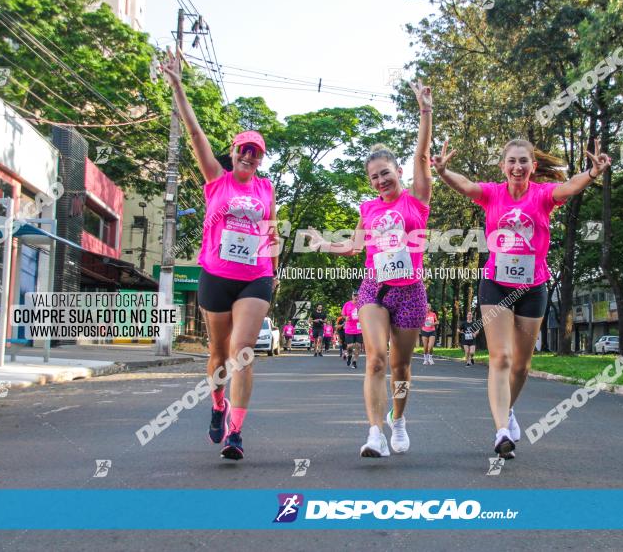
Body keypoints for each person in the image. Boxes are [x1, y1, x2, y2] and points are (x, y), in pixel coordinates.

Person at [432, 137, 611, 459]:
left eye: (523, 161)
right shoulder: (492, 194)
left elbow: (569, 188)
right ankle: (501, 431)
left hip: (533, 285)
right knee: (500, 358)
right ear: (503, 166)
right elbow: (466, 186)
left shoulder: (542, 196)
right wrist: (443, 172)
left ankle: (508, 410)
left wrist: (593, 173)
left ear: (533, 166)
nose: (517, 167)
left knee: (521, 366)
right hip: (496, 283)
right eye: (511, 161)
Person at [160, 49, 279, 461]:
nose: (249, 155)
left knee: (242, 350)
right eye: (243, 149)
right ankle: (217, 403)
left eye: (256, 152)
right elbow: (194, 136)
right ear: (234, 152)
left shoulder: (266, 190)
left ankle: (236, 432)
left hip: (255, 276)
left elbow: (272, 230)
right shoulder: (217, 180)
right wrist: (177, 84)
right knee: (218, 353)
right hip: (216, 273)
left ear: (261, 159)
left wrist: (274, 271)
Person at [308, 79, 434, 457]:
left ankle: (399, 421)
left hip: (411, 292)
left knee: (401, 368)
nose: (380, 180)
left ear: (398, 171)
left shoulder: (417, 200)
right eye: (374, 176)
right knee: (376, 358)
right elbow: (355, 247)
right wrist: (325, 245)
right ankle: (374, 433)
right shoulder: (368, 209)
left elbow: (423, 158)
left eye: (385, 172)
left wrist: (425, 111)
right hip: (375, 289)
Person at [340, 292, 362, 369]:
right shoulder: (347, 304)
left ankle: (354, 361)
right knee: (350, 346)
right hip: (349, 328)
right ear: (352, 296)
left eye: (357, 295)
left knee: (358, 346)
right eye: (354, 295)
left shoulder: (362, 303)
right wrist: (345, 317)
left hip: (359, 328)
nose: (356, 297)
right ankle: (349, 356)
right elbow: (342, 314)